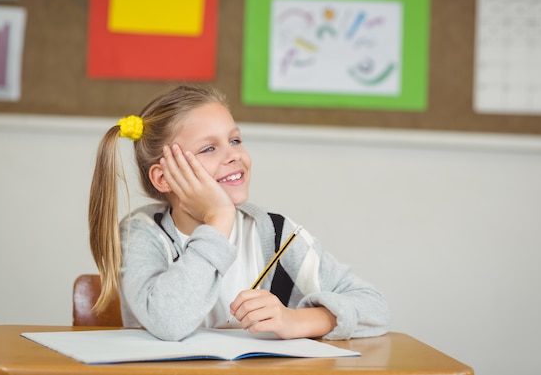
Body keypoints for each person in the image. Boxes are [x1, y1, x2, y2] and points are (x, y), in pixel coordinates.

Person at [88, 84, 390, 341]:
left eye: (234, 140)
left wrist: (296, 321)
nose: (234, 155)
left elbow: (375, 308)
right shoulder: (141, 233)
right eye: (209, 148)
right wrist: (218, 219)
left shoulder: (275, 232)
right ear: (163, 178)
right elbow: (169, 321)